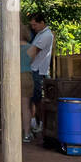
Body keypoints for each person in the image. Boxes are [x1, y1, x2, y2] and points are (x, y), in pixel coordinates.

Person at [26, 14, 55, 142]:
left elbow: (33, 52)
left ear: (42, 22)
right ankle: (35, 124)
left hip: (36, 69)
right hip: (34, 69)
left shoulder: (46, 35)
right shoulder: (40, 33)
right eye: (32, 25)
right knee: (31, 98)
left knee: (35, 99)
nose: (33, 27)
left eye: (35, 24)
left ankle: (39, 125)